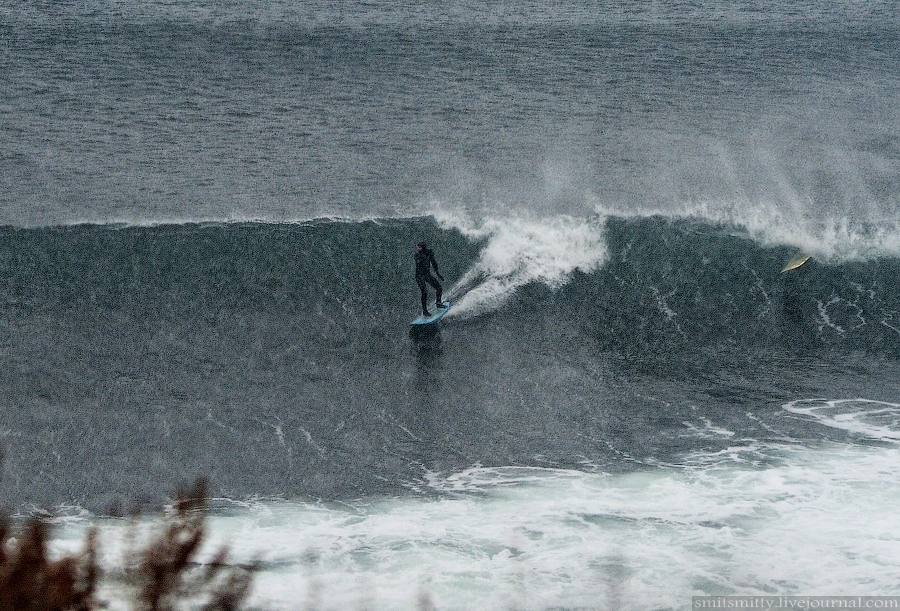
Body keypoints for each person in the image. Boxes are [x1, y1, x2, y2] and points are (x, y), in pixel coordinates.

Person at [415, 242, 446, 316]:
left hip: (427, 275)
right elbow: (417, 261)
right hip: (419, 276)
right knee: (424, 292)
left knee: (439, 288)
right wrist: (419, 260)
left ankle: (438, 303)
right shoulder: (417, 255)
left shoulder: (429, 253)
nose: (417, 248)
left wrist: (438, 274)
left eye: (419, 247)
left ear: (422, 247)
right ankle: (425, 311)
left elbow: (434, 264)